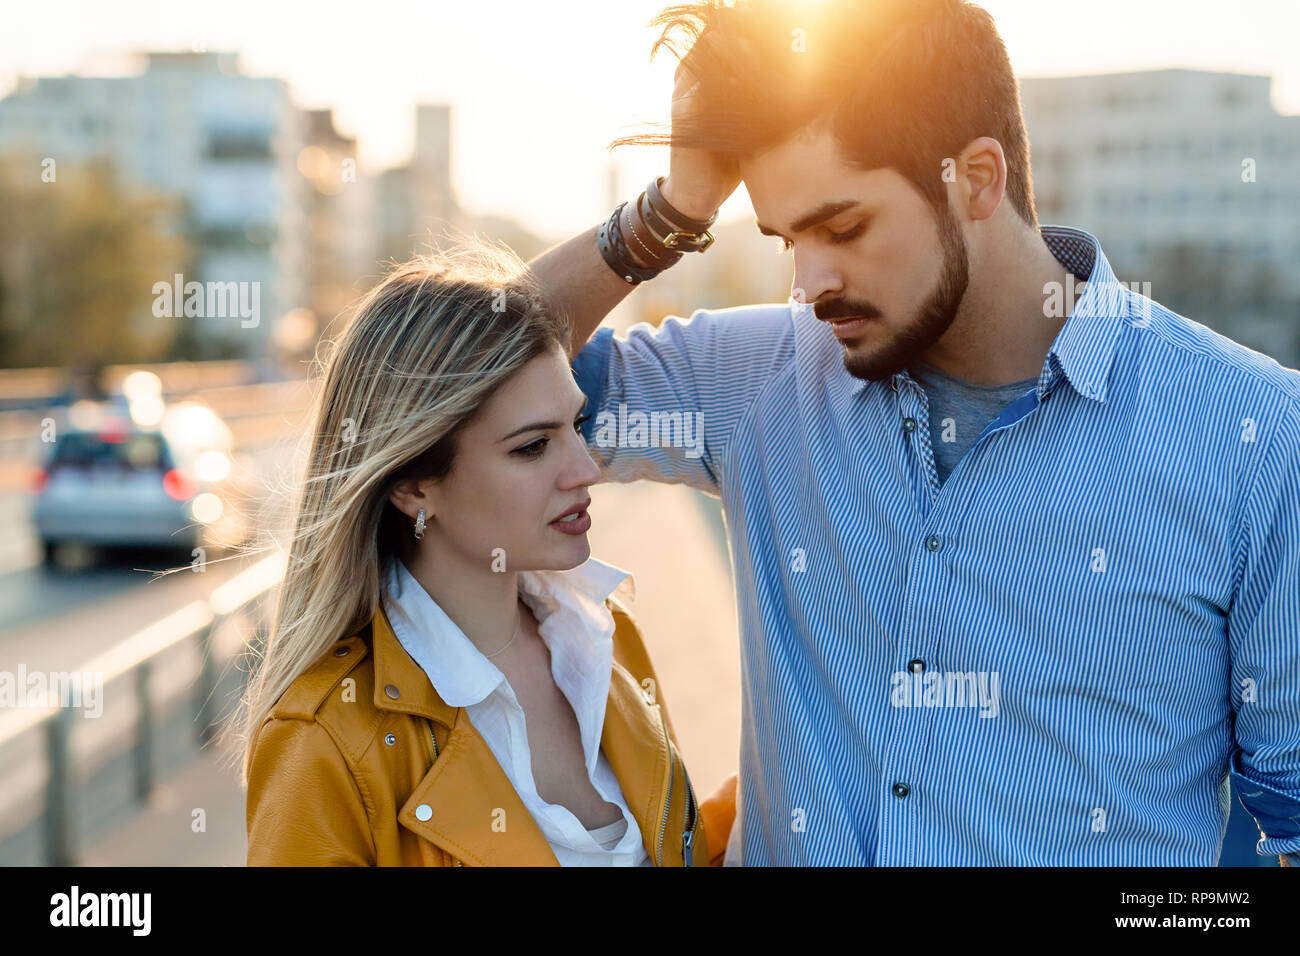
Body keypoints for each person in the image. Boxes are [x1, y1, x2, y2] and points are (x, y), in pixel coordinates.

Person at [526, 0, 1300, 866]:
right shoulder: (756, 379)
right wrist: (668, 214)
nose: (811, 280)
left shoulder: (1257, 438)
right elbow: (453, 385)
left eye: (843, 227)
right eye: (786, 238)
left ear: (976, 178)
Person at [235, 239, 736, 866]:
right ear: (414, 486)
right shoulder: (325, 742)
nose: (584, 470)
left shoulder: (607, 635)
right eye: (532, 447)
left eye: (576, 427)